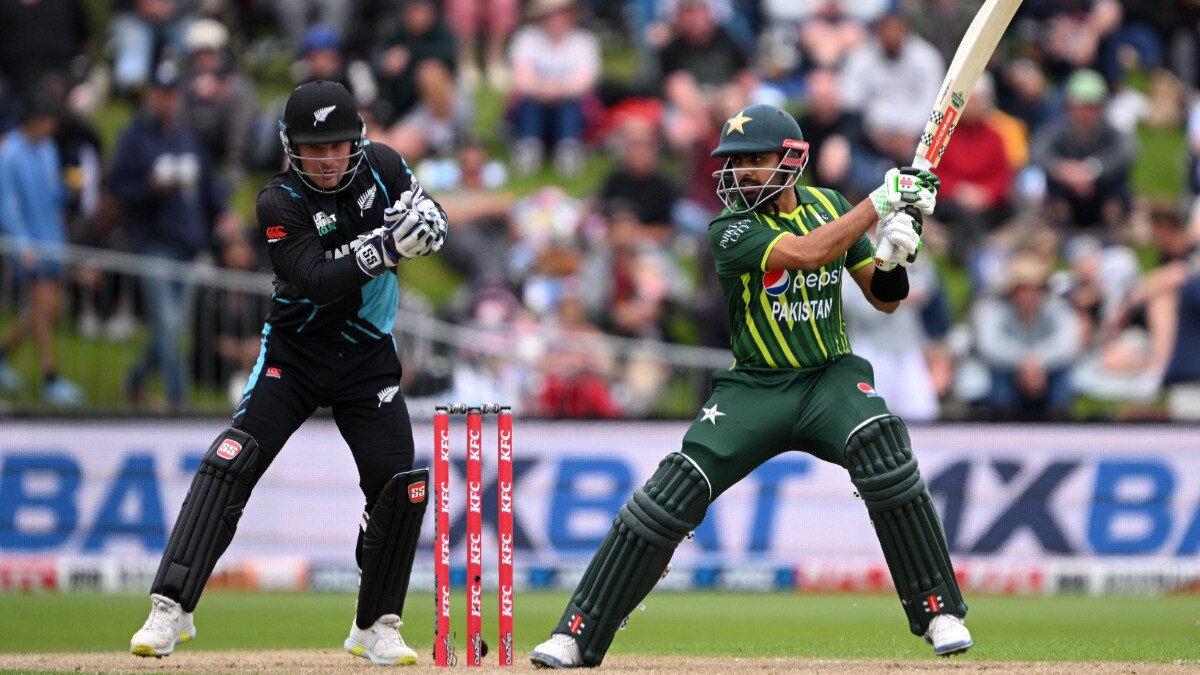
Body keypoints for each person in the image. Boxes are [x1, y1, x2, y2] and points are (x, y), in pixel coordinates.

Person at [529, 102, 972, 668]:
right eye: (734, 163)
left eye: (755, 160)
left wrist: (895, 252)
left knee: (882, 447)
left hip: (827, 377)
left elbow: (885, 299)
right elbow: (809, 255)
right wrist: (879, 204)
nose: (741, 173)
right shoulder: (729, 228)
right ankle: (576, 632)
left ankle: (938, 609)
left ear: (793, 159)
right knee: (671, 493)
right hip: (755, 387)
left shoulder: (828, 205)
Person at [128, 80, 448, 665]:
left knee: (401, 489)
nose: (326, 160)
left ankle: (375, 625)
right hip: (293, 356)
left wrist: (431, 226)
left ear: (357, 140)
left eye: (336, 146)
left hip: (368, 358)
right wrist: (390, 246)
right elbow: (320, 281)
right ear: (290, 147)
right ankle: (171, 610)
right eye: (312, 147)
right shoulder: (278, 200)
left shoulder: (384, 165)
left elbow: (431, 216)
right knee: (231, 461)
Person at [0, 92, 84, 406]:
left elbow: (52, 196)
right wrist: (22, 244)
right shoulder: (9, 154)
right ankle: (51, 376)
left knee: (48, 307)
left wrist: (70, 190)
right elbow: (7, 206)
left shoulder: (48, 150)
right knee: (44, 306)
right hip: (29, 246)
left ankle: (4, 354)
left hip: (52, 241)